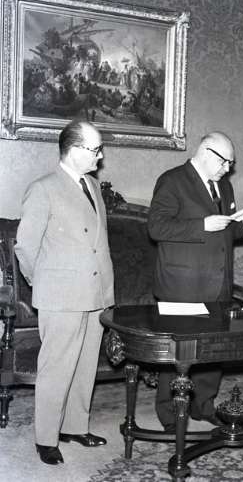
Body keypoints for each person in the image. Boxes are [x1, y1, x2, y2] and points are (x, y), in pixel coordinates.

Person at [15, 120, 114, 464]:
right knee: (56, 368)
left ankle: (74, 426)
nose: (100, 157)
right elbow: (26, 248)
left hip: (95, 292)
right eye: (95, 150)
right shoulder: (43, 189)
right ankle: (46, 438)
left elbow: (98, 242)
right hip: (61, 295)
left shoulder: (93, 186)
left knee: (85, 365)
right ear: (73, 150)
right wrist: (46, 282)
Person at [148, 131, 243, 431]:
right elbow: (156, 227)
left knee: (213, 350)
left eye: (231, 163)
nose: (228, 168)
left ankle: (204, 405)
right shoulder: (172, 180)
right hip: (182, 286)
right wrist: (202, 225)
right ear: (207, 152)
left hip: (218, 283)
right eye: (225, 162)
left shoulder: (225, 186)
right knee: (178, 354)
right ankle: (169, 414)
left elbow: (226, 231)